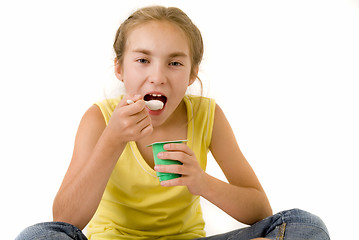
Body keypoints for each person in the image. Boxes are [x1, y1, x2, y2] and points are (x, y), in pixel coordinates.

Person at [16, 6, 329, 240]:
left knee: (305, 226)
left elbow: (260, 211)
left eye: (175, 63)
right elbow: (65, 220)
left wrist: (201, 182)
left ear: (191, 74)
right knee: (38, 236)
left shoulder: (208, 116)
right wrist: (112, 140)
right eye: (142, 60)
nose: (158, 76)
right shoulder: (99, 119)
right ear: (120, 70)